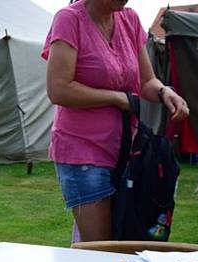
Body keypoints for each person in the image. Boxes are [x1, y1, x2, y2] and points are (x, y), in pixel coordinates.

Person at [42, 0, 189, 242]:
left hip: (126, 152)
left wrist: (165, 93)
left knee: (125, 237)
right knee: (101, 248)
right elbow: (58, 90)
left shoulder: (129, 19)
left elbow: (146, 82)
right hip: (83, 152)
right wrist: (117, 98)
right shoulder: (69, 20)